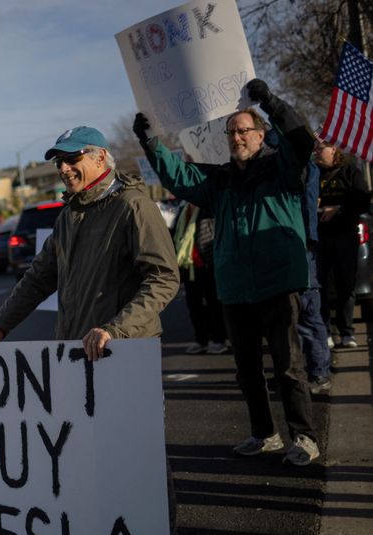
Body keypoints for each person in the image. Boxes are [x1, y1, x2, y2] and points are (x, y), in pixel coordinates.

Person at [0, 126, 180, 535]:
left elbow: (163, 277)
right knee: (86, 454)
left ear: (101, 157)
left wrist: (117, 328)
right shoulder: (68, 216)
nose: (65, 169)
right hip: (75, 358)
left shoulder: (132, 206)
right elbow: (37, 279)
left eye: (73, 159)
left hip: (124, 354)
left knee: (138, 458)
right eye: (60, 162)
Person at [134, 78, 321, 466]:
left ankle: (304, 437)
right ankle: (265, 434)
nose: (236, 137)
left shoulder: (282, 169)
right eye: (231, 131)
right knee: (248, 370)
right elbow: (178, 176)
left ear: (260, 134)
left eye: (243, 130)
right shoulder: (220, 179)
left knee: (288, 368)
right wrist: (149, 140)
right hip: (235, 289)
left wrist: (270, 101)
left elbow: (301, 139)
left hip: (277, 283)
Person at [314, 139, 371, 349]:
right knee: (320, 285)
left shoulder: (350, 172)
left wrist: (338, 209)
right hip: (320, 238)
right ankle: (325, 332)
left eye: (321, 148)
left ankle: (347, 332)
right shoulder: (313, 174)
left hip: (345, 237)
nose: (317, 152)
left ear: (334, 148)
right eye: (315, 149)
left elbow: (363, 200)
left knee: (346, 285)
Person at [173, 200, 228, 355]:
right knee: (194, 305)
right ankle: (200, 339)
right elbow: (176, 232)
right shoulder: (183, 210)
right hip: (189, 265)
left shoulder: (207, 207)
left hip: (208, 264)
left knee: (213, 303)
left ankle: (218, 340)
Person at [297, 159, 332, 392]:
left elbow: (307, 204)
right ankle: (310, 371)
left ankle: (319, 371)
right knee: (300, 314)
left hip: (301, 245)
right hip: (296, 243)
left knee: (308, 311)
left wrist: (308, 239)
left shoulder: (305, 166)